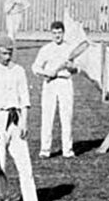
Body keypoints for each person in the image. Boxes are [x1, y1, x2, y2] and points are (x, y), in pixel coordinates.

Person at [0, 35, 42, 201]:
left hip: (15, 120)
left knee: (25, 163)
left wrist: (24, 122)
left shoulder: (18, 70)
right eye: (4, 53)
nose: (7, 57)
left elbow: (24, 98)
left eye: (10, 53)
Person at [31, 20, 87, 159]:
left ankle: (67, 150)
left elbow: (78, 69)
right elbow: (35, 67)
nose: (57, 35)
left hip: (65, 83)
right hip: (50, 84)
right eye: (54, 33)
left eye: (60, 33)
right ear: (51, 34)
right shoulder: (46, 49)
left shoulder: (70, 48)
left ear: (63, 33)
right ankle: (45, 150)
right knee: (47, 116)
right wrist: (47, 72)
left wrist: (71, 67)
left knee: (66, 117)